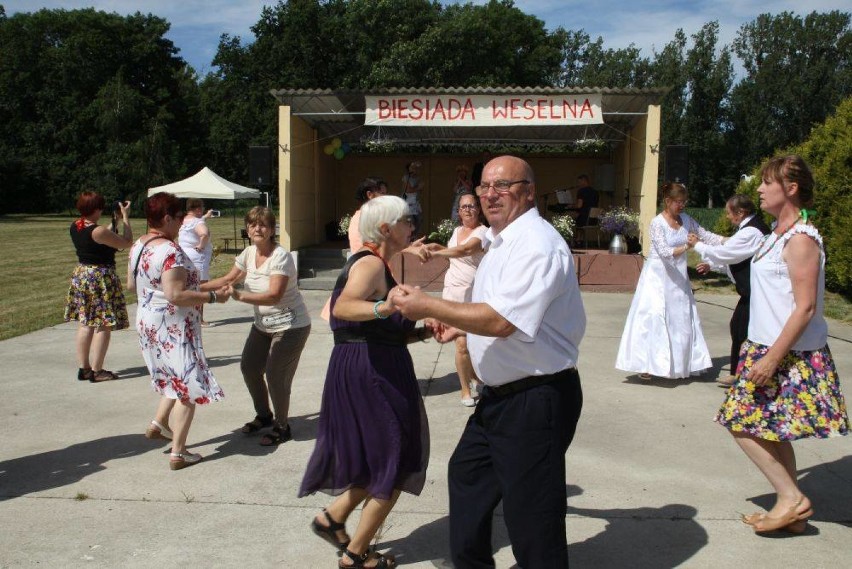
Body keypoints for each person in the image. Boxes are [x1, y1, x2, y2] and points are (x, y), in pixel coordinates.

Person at [395, 156, 585, 569]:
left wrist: (430, 305)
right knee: (468, 476)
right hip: (501, 397)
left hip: (536, 398)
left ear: (529, 191)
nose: (490, 194)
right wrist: (462, 329)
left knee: (532, 516)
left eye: (503, 185)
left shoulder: (536, 243)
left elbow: (502, 320)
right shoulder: (502, 241)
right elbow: (502, 313)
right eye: (484, 187)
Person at [715, 155, 848, 534]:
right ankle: (791, 511)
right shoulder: (775, 234)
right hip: (765, 347)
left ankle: (791, 498)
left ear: (790, 189)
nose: (758, 188)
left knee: (738, 422)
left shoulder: (802, 239)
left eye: (766, 182)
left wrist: (772, 358)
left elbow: (805, 308)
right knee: (773, 430)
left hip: (787, 353)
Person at [300, 195, 431, 569]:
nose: (413, 227)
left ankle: (332, 519)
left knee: (380, 457)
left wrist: (424, 333)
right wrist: (384, 307)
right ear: (387, 228)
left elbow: (382, 333)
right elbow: (344, 306)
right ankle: (356, 554)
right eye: (408, 220)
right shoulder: (371, 264)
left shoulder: (377, 263)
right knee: (397, 459)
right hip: (371, 373)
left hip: (370, 364)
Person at [128, 192, 230, 470]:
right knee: (189, 387)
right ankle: (179, 452)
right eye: (178, 218)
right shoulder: (170, 251)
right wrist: (212, 298)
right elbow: (175, 295)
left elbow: (131, 285)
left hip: (148, 321)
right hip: (172, 327)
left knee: (173, 378)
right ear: (166, 218)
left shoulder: (139, 245)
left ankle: (159, 423)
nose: (181, 224)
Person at [206, 206, 311, 446]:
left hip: (291, 326)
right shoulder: (248, 253)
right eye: (252, 224)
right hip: (263, 325)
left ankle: (282, 427)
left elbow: (274, 295)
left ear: (272, 229)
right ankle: (264, 416)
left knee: (276, 375)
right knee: (250, 368)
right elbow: (227, 279)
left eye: (263, 224)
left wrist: (239, 296)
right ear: (247, 228)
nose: (257, 228)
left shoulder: (280, 256)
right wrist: (191, 288)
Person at [615, 182, 720, 380]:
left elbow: (706, 236)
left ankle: (680, 363)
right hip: (657, 277)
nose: (682, 206)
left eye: (684, 202)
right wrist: (688, 247)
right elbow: (664, 252)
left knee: (680, 318)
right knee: (654, 317)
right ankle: (647, 365)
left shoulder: (687, 220)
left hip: (678, 278)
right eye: (678, 202)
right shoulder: (657, 223)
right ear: (668, 201)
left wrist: (730, 241)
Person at [688, 194, 770, 386]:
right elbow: (735, 258)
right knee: (739, 328)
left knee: (743, 330)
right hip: (751, 292)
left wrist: (697, 245)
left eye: (728, 212)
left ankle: (742, 374)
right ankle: (738, 372)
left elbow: (727, 253)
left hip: (755, 292)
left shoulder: (751, 232)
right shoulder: (749, 229)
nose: (727, 217)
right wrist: (711, 266)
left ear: (740, 212)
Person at [419, 191, 486, 406]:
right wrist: (435, 247)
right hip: (452, 292)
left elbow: (465, 250)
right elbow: (453, 250)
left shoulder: (484, 232)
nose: (468, 209)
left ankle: (475, 378)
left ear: (479, 209)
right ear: (458, 212)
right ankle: (466, 390)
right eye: (464, 206)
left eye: (472, 206)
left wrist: (436, 254)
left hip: (471, 293)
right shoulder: (457, 230)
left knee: (469, 343)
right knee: (462, 344)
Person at [65, 191, 134, 382]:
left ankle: (84, 368)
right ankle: (97, 370)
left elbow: (102, 235)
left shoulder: (76, 226)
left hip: (83, 275)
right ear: (96, 209)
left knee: (86, 322)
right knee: (104, 323)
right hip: (100, 277)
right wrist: (126, 218)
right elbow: (127, 243)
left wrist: (116, 220)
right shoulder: (98, 231)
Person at [321, 177, 389, 322]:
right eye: (382, 193)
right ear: (370, 195)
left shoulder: (369, 217)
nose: (385, 198)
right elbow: (364, 250)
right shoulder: (361, 218)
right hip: (366, 280)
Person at [178, 198, 214, 325]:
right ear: (198, 208)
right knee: (201, 288)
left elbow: (195, 222)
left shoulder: (183, 221)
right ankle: (199, 318)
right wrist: (201, 246)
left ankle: (188, 316)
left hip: (184, 257)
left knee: (188, 287)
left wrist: (205, 217)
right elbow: (203, 234)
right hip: (198, 260)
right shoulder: (197, 222)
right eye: (202, 207)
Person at [401, 161, 424, 235]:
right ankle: (409, 237)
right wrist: (417, 188)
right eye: (412, 168)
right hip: (408, 202)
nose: (414, 169)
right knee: (410, 220)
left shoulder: (418, 178)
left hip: (416, 202)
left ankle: (415, 237)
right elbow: (408, 190)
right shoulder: (406, 178)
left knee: (419, 220)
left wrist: (417, 188)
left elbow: (421, 187)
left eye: (415, 168)